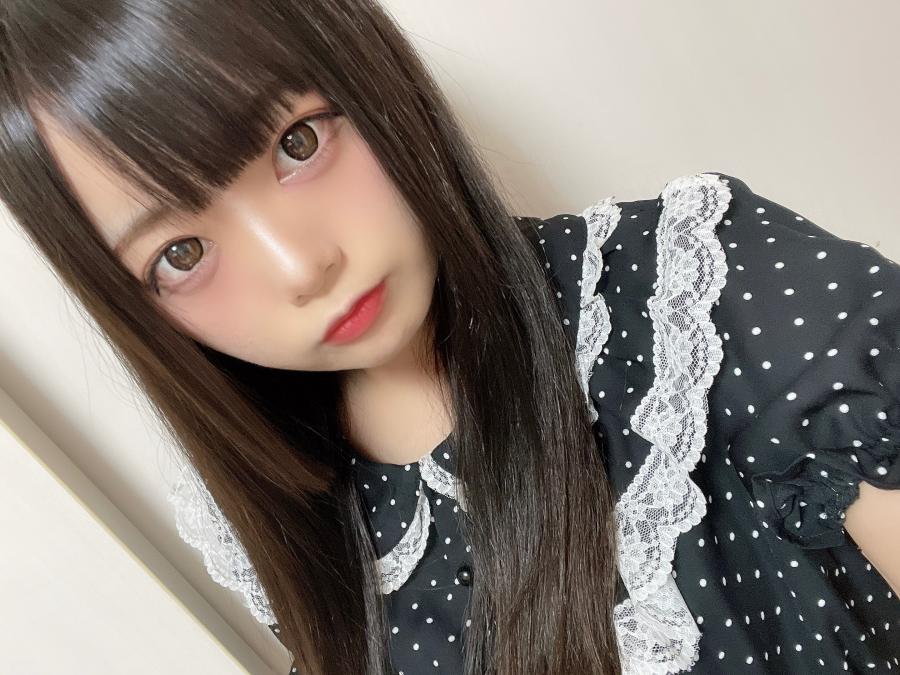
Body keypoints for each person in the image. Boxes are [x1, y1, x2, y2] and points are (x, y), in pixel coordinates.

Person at [0, 1, 896, 674]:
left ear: (363, 70)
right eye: (182, 253)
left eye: (297, 143)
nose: (301, 266)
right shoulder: (275, 517)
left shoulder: (704, 294)